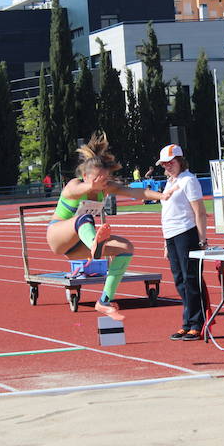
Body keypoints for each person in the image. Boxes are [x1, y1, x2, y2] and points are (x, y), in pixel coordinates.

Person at [46, 133, 172, 321]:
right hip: (58, 235)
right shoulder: (73, 185)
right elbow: (77, 190)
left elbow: (134, 191)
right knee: (85, 217)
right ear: (85, 176)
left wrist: (160, 196)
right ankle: (94, 244)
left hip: (79, 247)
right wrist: (91, 187)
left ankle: (104, 301)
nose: (102, 183)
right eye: (98, 179)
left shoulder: (105, 187)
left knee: (126, 248)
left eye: (105, 179)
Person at [157, 144, 208, 342]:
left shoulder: (189, 180)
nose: (167, 166)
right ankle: (187, 322)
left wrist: (202, 239)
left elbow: (200, 212)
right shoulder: (170, 182)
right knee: (179, 281)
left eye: (171, 162)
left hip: (186, 233)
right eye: (164, 164)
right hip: (171, 236)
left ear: (180, 161)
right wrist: (165, 242)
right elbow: (167, 213)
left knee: (190, 279)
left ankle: (196, 323)